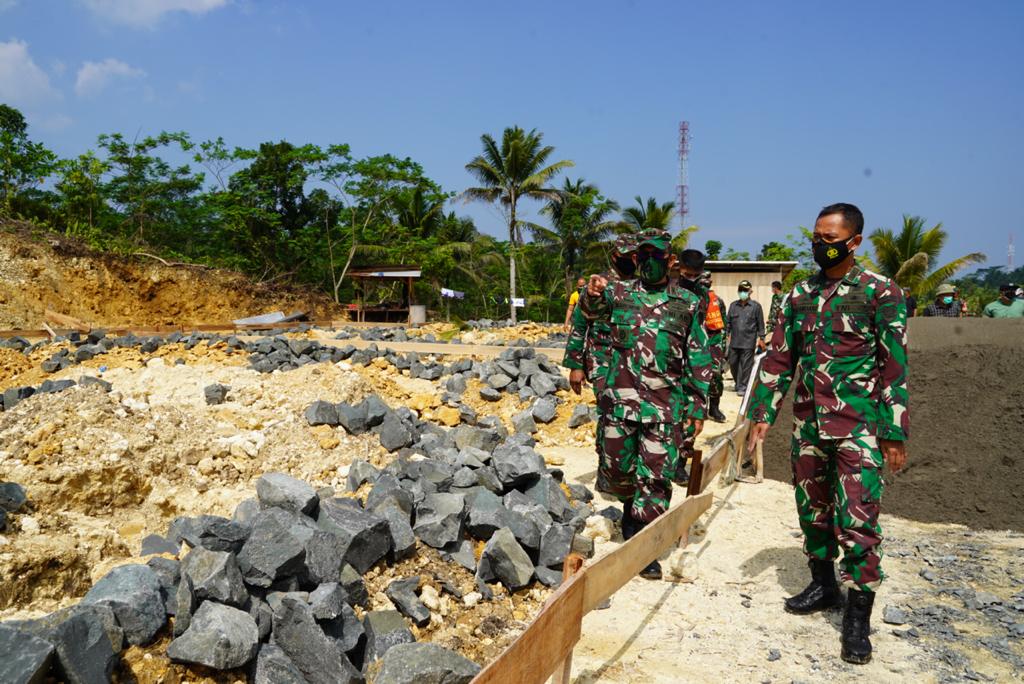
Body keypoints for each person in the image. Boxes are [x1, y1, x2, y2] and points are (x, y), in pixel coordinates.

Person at [745, 202, 908, 666]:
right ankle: (823, 584)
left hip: (860, 429)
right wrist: (763, 411)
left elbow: (894, 365)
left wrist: (894, 432)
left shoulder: (880, 293)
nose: (821, 245)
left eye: (831, 239)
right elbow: (780, 358)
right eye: (817, 237)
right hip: (809, 426)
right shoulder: (798, 296)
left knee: (858, 520)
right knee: (812, 511)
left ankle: (858, 618)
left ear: (854, 241)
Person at [579, 228, 712, 580]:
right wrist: (591, 292)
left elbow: (699, 356)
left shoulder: (688, 302)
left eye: (657, 256)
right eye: (643, 256)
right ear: (635, 259)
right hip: (619, 403)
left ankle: (644, 545)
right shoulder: (617, 292)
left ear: (669, 260)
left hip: (664, 407)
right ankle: (628, 511)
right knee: (619, 470)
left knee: (655, 476)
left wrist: (698, 405)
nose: (648, 262)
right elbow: (590, 313)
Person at [726, 280, 765, 396]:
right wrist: (726, 335)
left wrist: (761, 338)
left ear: (750, 291)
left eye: (745, 290)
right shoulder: (733, 306)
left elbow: (760, 324)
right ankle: (739, 384)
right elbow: (728, 323)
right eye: (741, 290)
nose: (742, 292)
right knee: (733, 364)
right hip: (734, 341)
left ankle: (743, 386)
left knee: (746, 365)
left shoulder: (756, 307)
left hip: (749, 341)